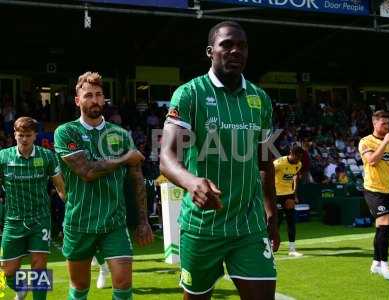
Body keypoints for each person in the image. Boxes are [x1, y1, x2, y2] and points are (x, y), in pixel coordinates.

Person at [160, 21, 279, 300]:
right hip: (202, 226)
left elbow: (264, 162)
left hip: (248, 226)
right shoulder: (190, 94)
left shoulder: (260, 98)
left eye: (242, 46)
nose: (236, 50)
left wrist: (271, 212)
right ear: (210, 51)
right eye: (227, 44)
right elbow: (166, 157)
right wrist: (192, 183)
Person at [54, 72, 154, 300]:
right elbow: (87, 171)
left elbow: (136, 179)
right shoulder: (66, 132)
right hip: (79, 222)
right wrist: (124, 158)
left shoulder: (120, 134)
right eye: (88, 95)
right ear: (78, 100)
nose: (95, 100)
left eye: (99, 95)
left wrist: (143, 220)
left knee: (123, 283)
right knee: (79, 287)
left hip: (114, 223)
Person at [0, 117, 65, 300]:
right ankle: (21, 287)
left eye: (28, 135)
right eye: (20, 135)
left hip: (40, 219)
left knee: (39, 264)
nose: (24, 139)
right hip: (13, 220)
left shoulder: (47, 156)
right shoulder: (3, 157)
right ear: (14, 135)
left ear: (35, 135)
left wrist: (72, 210)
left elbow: (60, 187)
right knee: (6, 270)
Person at [358, 110, 389, 281]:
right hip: (374, 189)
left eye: (388, 124)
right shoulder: (365, 141)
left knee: (381, 227)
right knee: (386, 222)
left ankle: (375, 262)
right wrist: (385, 142)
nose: (387, 126)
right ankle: (385, 265)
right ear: (375, 124)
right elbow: (372, 160)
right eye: (383, 123)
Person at [273, 145, 304, 257]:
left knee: (291, 220)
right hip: (276, 195)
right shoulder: (278, 163)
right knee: (276, 221)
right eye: (297, 157)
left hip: (288, 195)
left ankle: (292, 249)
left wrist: (294, 194)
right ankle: (269, 244)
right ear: (291, 153)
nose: (298, 160)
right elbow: (267, 176)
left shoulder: (298, 164)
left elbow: (295, 177)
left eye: (300, 158)